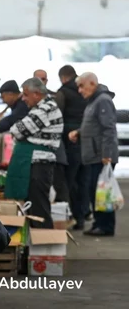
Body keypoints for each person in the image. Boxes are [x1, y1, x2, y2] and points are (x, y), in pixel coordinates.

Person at [3, 78, 63, 229]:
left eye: (25, 95)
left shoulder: (44, 109)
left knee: (39, 208)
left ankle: (44, 244)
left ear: (36, 94)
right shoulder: (43, 107)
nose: (23, 99)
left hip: (39, 165)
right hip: (37, 163)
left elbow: (16, 130)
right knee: (35, 206)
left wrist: (22, 133)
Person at [68, 72, 119, 237]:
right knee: (94, 191)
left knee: (102, 192)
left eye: (82, 86)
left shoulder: (102, 100)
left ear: (92, 83)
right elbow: (93, 125)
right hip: (94, 155)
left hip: (101, 156)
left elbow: (108, 129)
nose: (80, 91)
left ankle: (105, 226)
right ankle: (99, 223)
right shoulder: (93, 101)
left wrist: (106, 155)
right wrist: (79, 132)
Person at [56, 65, 89, 229]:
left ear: (63, 77)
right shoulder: (85, 91)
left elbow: (57, 117)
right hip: (86, 139)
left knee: (69, 181)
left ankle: (70, 216)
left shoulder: (62, 93)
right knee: (83, 180)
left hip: (70, 141)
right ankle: (82, 216)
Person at [34, 69, 69, 203]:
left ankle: (64, 216)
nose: (40, 82)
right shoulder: (28, 99)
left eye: (43, 79)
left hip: (54, 150)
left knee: (59, 185)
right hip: (42, 152)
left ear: (47, 81)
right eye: (37, 79)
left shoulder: (53, 99)